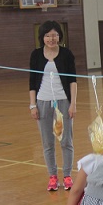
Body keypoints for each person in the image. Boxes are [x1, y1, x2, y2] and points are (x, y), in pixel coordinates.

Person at [29, 21, 77, 192]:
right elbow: (32, 82)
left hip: (63, 101)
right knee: (48, 143)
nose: (51, 38)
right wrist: (33, 105)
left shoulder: (66, 54)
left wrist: (73, 104)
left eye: (55, 34)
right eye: (48, 35)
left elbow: (72, 81)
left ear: (60, 36)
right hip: (43, 102)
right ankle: (52, 177)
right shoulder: (36, 55)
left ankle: (67, 175)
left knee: (66, 141)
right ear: (42, 37)